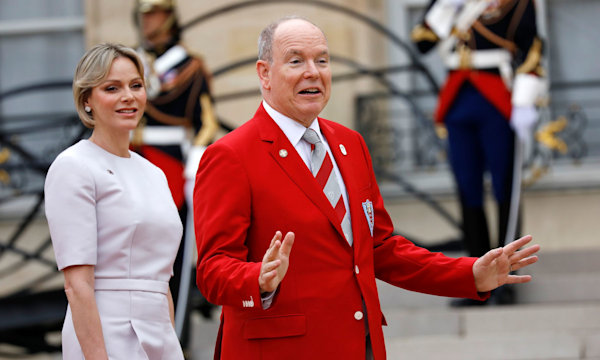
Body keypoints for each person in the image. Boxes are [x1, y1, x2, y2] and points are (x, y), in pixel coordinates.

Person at [193, 16, 540, 360]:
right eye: (296, 60)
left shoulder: (350, 144)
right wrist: (259, 278)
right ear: (264, 74)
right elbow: (212, 271)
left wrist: (469, 274)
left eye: (323, 60)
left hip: (360, 345)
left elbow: (382, 250)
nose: (313, 71)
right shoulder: (230, 156)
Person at [44, 43, 184, 359]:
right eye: (112, 87)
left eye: (136, 85)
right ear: (87, 100)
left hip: (160, 333)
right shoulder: (73, 166)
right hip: (106, 333)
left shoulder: (154, 173)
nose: (128, 96)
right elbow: (77, 286)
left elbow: (161, 280)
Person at [410, 0, 546, 304]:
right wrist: (446, 7)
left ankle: (507, 277)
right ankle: (475, 277)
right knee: (467, 188)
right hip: (458, 97)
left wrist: (525, 100)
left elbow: (532, 49)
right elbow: (422, 42)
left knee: (504, 187)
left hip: (497, 98)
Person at [133, 0, 219, 342]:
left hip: (170, 162)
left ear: (168, 17)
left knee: (171, 252)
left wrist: (195, 162)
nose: (147, 22)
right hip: (130, 155)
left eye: (153, 14)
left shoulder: (191, 66)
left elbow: (206, 121)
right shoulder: (131, 62)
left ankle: (173, 335)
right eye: (143, 15)